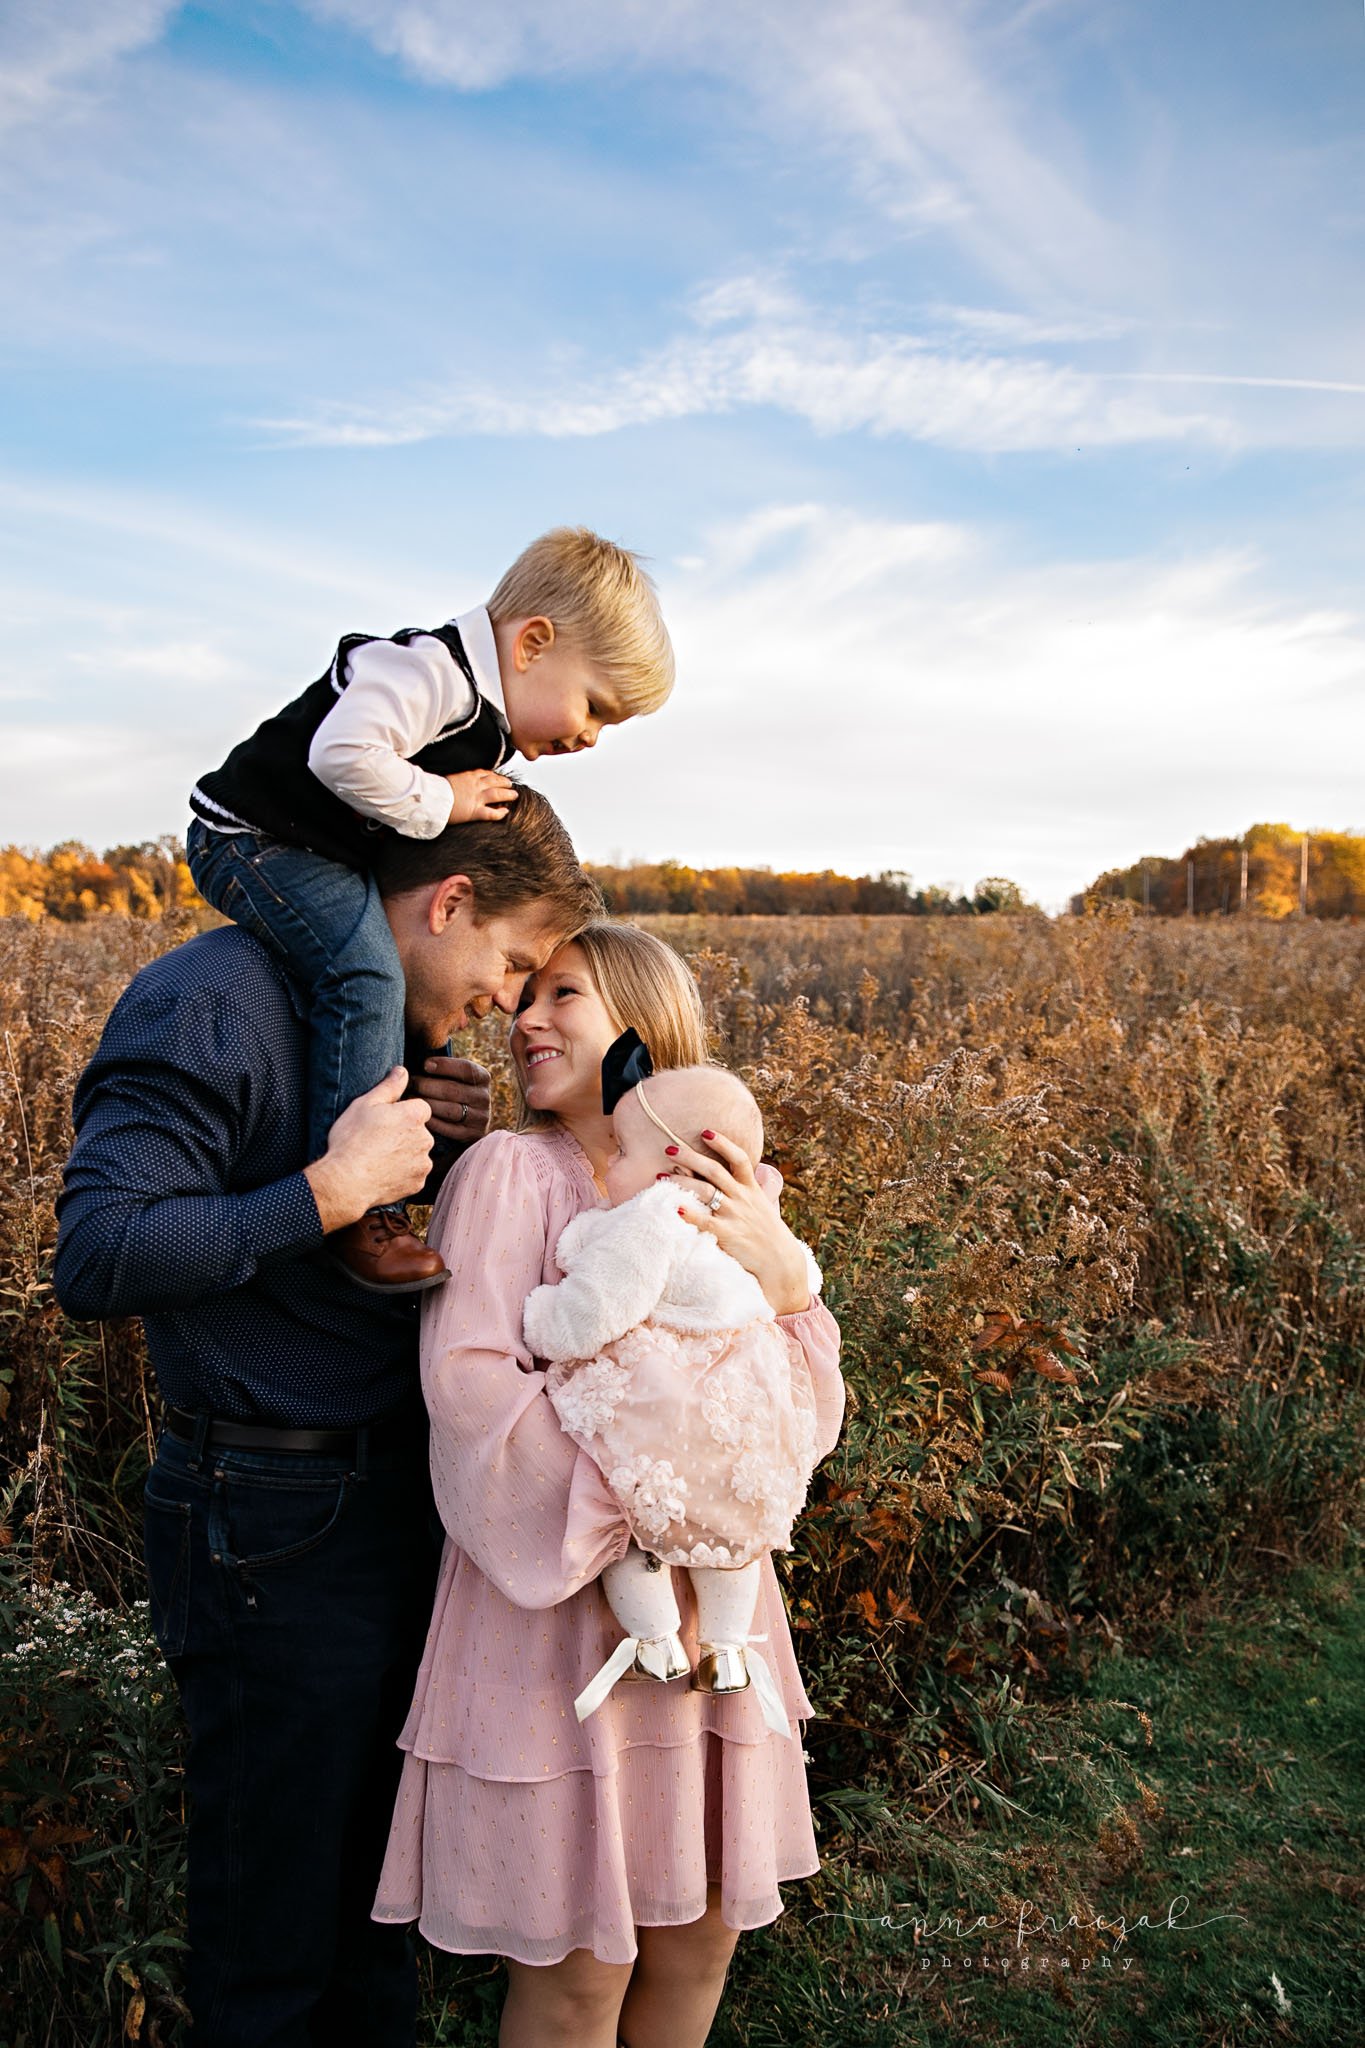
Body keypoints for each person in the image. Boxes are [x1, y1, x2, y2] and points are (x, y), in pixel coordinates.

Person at [53, 788, 603, 2048]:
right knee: (278, 1946)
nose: (508, 1001)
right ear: (447, 900)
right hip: (268, 1517)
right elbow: (97, 1253)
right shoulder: (213, 1000)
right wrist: (324, 1190)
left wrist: (441, 1150)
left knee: (378, 1925)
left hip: (397, 1504)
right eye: (510, 963)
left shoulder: (381, 1023)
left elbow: (376, 1267)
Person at [372, 923, 843, 2048]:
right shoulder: (505, 1174)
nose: (524, 1016)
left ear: (641, 1021)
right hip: (572, 1610)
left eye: (562, 993)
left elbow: (806, 1400)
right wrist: (644, 1498)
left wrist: (784, 1271)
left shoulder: (729, 1178)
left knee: (699, 1944)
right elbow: (471, 1388)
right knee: (581, 1977)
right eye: (521, 992)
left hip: (720, 1612)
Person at [185, 526, 673, 1291]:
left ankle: (388, 1170)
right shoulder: (427, 674)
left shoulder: (475, 716)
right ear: (531, 643)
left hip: (306, 845)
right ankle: (359, 1208)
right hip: (249, 836)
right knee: (364, 973)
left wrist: (437, 1118)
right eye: (595, 707)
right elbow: (340, 755)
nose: (590, 737)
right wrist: (443, 798)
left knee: (376, 982)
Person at [524, 1061, 825, 1731]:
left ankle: (656, 1643)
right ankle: (724, 1652)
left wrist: (543, 1316)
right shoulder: (744, 1213)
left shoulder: (658, 1212)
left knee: (632, 1523)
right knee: (733, 1535)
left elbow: (599, 1308)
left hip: (668, 1410)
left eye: (620, 1152)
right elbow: (802, 1275)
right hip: (747, 1415)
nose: (610, 1170)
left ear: (666, 1164)